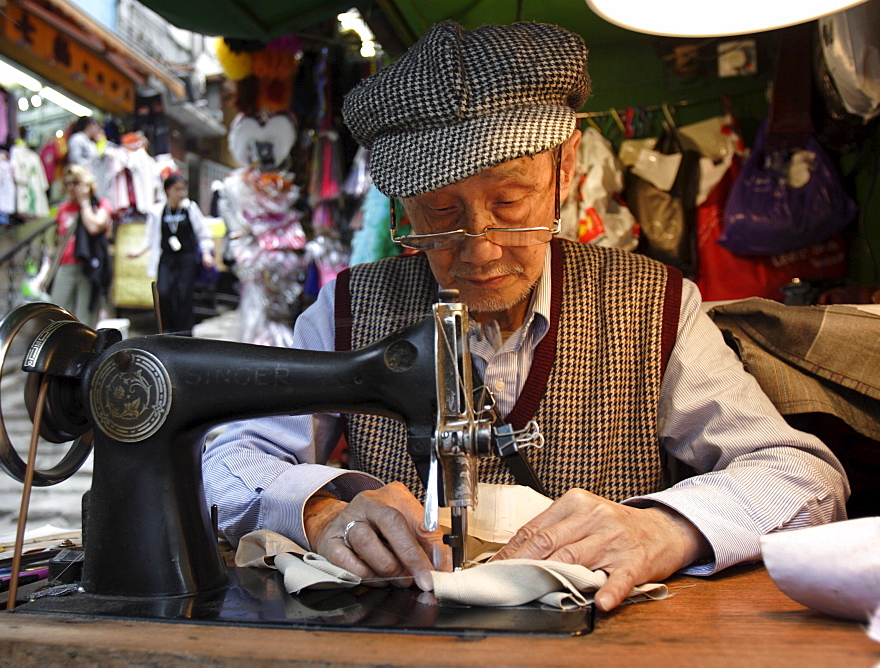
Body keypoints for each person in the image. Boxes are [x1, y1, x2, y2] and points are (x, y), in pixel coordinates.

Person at [201, 21, 849, 611]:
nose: (479, 250)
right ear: (402, 200)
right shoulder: (344, 312)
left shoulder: (655, 307)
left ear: (564, 168)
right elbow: (229, 460)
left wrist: (666, 528)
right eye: (440, 211)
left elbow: (802, 476)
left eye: (510, 201)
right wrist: (317, 513)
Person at [127, 174, 216, 333]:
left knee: (184, 294)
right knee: (164, 292)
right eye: (177, 190)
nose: (181, 194)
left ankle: (185, 332)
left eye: (183, 190)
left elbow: (202, 233)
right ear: (167, 191)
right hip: (167, 258)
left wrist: (206, 253)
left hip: (186, 258)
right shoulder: (157, 211)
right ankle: (168, 330)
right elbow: (150, 237)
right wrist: (138, 252)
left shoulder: (190, 208)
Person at [52, 164, 112, 326]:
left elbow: (94, 227)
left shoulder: (100, 204)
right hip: (65, 266)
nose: (71, 188)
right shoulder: (63, 209)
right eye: (68, 183)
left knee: (85, 317)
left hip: (89, 266)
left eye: (76, 183)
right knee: (57, 314)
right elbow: (59, 243)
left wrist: (84, 202)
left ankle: (85, 350)